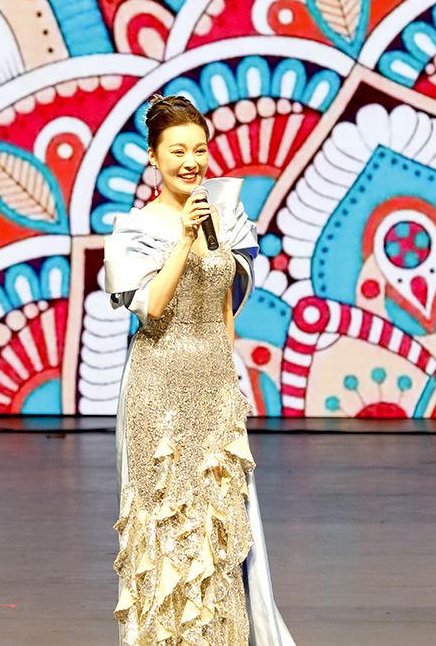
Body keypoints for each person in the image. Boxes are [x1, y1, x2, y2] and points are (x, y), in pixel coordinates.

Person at [104, 95, 295, 646]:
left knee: (219, 526)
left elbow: (225, 305)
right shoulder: (135, 229)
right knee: (166, 525)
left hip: (213, 387)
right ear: (153, 157)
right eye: (177, 151)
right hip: (157, 390)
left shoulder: (225, 214)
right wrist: (185, 239)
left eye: (200, 150)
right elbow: (152, 307)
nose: (192, 162)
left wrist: (228, 378)